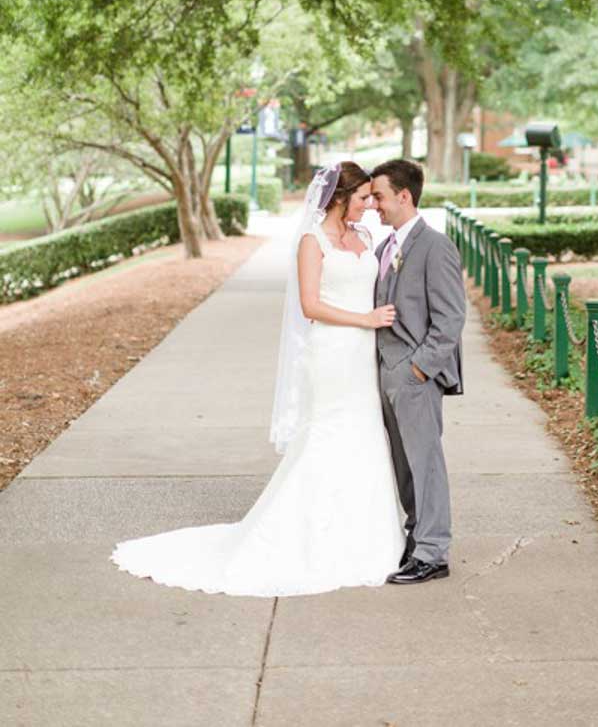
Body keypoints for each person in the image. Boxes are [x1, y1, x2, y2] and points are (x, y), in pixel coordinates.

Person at [111, 162, 406, 595]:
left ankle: (371, 538)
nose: (369, 205)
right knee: (327, 437)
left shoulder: (365, 238)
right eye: (362, 198)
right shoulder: (313, 241)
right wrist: (365, 319)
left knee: (365, 436)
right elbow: (310, 306)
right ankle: (310, 541)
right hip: (332, 354)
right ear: (340, 199)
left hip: (364, 356)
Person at [369, 158, 466, 585]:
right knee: (403, 464)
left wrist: (419, 370)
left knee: (425, 462)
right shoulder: (383, 248)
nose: (374, 204)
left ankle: (433, 552)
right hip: (384, 372)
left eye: (379, 196)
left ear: (403, 196)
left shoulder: (436, 246)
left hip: (414, 375)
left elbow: (450, 320)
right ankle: (416, 538)